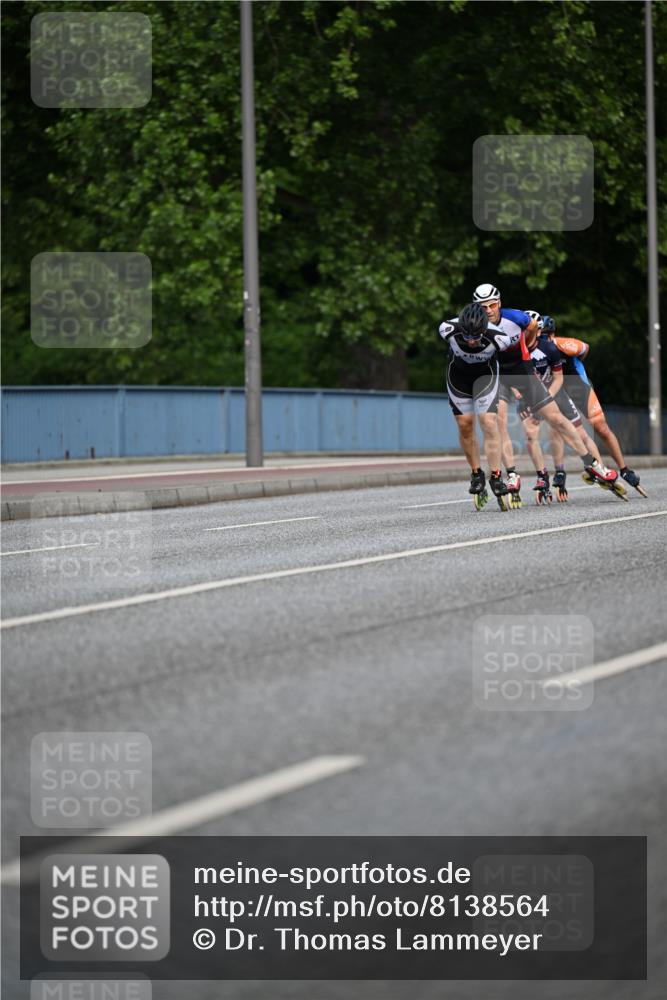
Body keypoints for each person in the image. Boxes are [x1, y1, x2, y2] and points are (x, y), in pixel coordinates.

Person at [471, 283, 621, 493]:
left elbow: (532, 326)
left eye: (492, 305)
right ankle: (512, 474)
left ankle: (593, 464)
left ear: (499, 303)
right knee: (498, 422)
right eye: (483, 307)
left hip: (521, 370)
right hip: (497, 374)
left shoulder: (516, 318)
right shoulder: (474, 324)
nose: (488, 310)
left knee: (556, 418)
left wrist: (525, 342)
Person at [545, 317, 646, 496]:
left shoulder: (563, 344)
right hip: (558, 390)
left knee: (601, 427)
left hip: (578, 386)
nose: (544, 340)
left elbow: (585, 348)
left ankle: (624, 469)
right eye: (541, 336)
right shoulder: (537, 351)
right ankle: (590, 468)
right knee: (562, 429)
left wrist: (577, 363)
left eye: (547, 336)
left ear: (553, 334)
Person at [518, 313, 602, 502]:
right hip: (532, 395)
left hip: (556, 392)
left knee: (576, 433)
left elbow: (564, 372)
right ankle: (550, 475)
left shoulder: (551, 347)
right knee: (531, 435)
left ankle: (598, 468)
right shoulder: (517, 350)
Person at [438, 302, 510, 510]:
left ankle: (496, 475)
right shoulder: (447, 329)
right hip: (458, 376)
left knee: (488, 421)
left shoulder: (499, 337)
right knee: (465, 424)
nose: (471, 341)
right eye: (467, 336)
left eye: (476, 337)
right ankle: (476, 473)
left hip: (485, 376)